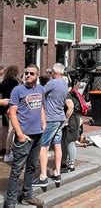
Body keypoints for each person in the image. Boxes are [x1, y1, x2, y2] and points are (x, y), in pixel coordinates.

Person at [5, 64, 45, 207]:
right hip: (24, 137)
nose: (28, 75)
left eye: (31, 73)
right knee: (17, 169)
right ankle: (10, 201)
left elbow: (41, 107)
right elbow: (12, 113)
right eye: (26, 73)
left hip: (38, 134)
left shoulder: (41, 89)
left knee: (32, 166)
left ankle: (27, 195)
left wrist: (43, 123)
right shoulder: (18, 90)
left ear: (37, 76)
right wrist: (20, 134)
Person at [33, 63, 68, 188]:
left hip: (51, 118)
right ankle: (57, 173)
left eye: (51, 71)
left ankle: (43, 177)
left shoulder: (52, 83)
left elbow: (39, 92)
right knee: (57, 145)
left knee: (44, 146)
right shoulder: (65, 83)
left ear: (54, 72)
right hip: (60, 118)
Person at [61, 79, 82, 173]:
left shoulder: (67, 94)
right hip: (74, 119)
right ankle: (64, 162)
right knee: (66, 141)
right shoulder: (71, 93)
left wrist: (66, 120)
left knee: (70, 141)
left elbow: (70, 107)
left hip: (71, 121)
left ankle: (71, 164)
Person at [1, 65, 20, 163]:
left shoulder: (3, 82)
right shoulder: (14, 83)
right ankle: (8, 153)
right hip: (11, 108)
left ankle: (4, 148)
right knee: (11, 130)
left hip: (3, 108)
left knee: (5, 129)